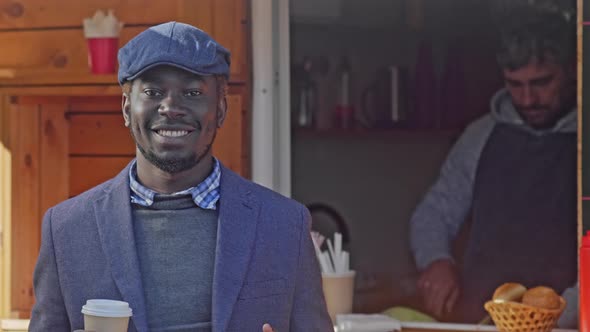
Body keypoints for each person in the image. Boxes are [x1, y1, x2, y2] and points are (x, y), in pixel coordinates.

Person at [29, 22, 333, 332]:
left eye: (192, 92)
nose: (171, 107)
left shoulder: (284, 225)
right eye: (153, 92)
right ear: (125, 108)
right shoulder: (66, 231)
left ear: (221, 109)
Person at [409, 9, 577, 323]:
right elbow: (434, 213)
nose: (528, 99)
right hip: (482, 320)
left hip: (568, 322)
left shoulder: (585, 142)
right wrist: (436, 260)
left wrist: (564, 312)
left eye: (542, 82)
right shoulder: (480, 137)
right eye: (515, 85)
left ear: (571, 70)